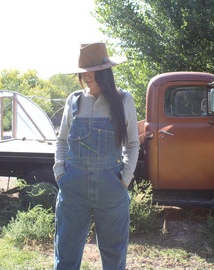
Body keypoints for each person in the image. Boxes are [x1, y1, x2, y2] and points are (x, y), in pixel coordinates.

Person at [53, 42, 139, 270]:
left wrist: (124, 179)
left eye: (93, 71)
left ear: (105, 72)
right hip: (73, 188)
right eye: (84, 72)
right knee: (66, 255)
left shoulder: (123, 100)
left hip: (111, 187)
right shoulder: (73, 101)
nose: (87, 76)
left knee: (114, 257)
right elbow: (61, 141)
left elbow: (132, 143)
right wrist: (60, 173)